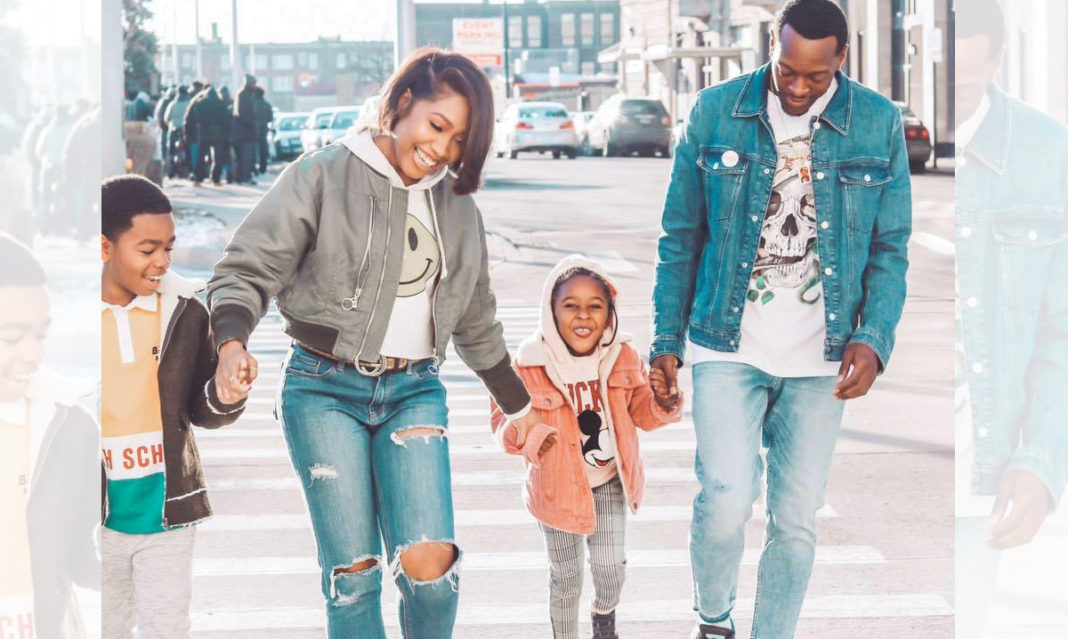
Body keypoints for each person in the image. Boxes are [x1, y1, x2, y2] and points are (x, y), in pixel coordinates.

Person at [207, 47, 538, 638]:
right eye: (438, 126)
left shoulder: (458, 209)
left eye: (460, 140)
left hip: (414, 391)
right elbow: (248, 265)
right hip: (322, 389)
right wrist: (231, 341)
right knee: (353, 577)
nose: (442, 149)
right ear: (405, 102)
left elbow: (478, 322)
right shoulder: (324, 173)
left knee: (431, 573)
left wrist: (521, 408)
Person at [649, 1, 912, 637]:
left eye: (814, 78)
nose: (796, 88)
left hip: (823, 357)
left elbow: (890, 246)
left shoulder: (877, 123)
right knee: (726, 501)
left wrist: (873, 339)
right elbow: (681, 235)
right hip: (725, 340)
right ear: (773, 43)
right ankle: (713, 621)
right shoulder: (716, 112)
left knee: (795, 518)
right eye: (786, 71)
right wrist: (665, 340)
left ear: (841, 61)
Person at [490, 256, 681, 639]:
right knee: (567, 578)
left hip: (609, 481)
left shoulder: (623, 356)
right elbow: (501, 422)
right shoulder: (527, 365)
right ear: (551, 311)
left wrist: (663, 401)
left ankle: (603, 614)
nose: (583, 315)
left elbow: (641, 412)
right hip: (555, 489)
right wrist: (528, 436)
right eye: (570, 305)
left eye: (595, 305)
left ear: (609, 313)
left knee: (611, 570)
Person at [954, 0, 1068, 635]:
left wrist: (1042, 460)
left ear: (997, 61)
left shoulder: (1048, 152)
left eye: (967, 83)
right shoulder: (866, 143)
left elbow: (1063, 330)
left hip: (978, 470)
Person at [100, 175, 249, 638]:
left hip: (166, 511)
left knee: (167, 627)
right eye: (147, 250)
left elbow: (201, 407)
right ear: (105, 247)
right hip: (93, 518)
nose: (162, 261)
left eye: (169, 247)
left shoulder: (185, 308)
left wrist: (227, 395)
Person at [0, 233, 99, 639]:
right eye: (11, 337)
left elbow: (83, 557)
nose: (32, 354)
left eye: (40, 336)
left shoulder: (69, 425)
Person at [183, 86, 232, 186]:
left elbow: (193, 118)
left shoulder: (200, 103)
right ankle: (216, 178)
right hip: (218, 134)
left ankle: (198, 178)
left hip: (203, 133)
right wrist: (226, 134)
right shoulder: (221, 103)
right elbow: (227, 121)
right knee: (217, 158)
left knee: (201, 157)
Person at [232, 75, 258, 184]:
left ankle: (240, 177)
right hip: (244, 132)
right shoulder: (243, 95)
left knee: (243, 157)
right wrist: (253, 125)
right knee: (245, 156)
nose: (254, 85)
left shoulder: (246, 94)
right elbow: (244, 113)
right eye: (253, 83)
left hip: (243, 131)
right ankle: (244, 177)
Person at [163, 86, 191, 179]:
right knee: (187, 150)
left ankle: (171, 171)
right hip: (185, 131)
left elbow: (166, 118)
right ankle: (188, 170)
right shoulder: (189, 103)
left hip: (173, 129)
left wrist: (170, 124)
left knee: (171, 151)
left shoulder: (172, 104)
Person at [253, 86, 273, 174]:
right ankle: (263, 168)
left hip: (252, 130)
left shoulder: (251, 103)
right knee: (263, 149)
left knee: (252, 150)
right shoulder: (266, 104)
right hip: (263, 130)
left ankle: (253, 168)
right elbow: (270, 118)